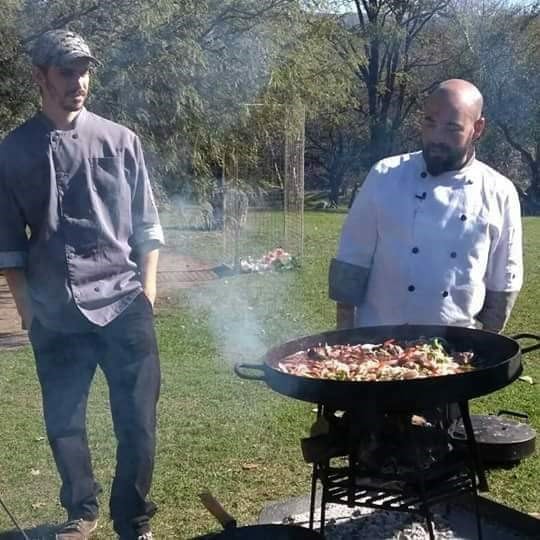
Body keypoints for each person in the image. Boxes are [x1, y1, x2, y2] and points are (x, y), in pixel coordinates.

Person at [0, 30, 164, 540]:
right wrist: (28, 310)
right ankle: (81, 511)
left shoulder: (120, 140)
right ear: (40, 77)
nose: (78, 82)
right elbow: (8, 241)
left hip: (124, 303)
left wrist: (149, 291)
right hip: (56, 310)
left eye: (84, 70)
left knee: (137, 425)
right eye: (67, 71)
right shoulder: (14, 150)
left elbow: (147, 226)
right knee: (65, 422)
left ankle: (133, 519)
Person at [329, 79, 523, 333]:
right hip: (377, 344)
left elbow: (503, 285)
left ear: (477, 129)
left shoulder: (499, 191)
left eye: (452, 128)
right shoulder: (385, 175)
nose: (436, 137)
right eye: (430, 123)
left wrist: (487, 351)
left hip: (456, 351)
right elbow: (351, 263)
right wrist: (345, 341)